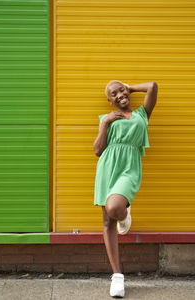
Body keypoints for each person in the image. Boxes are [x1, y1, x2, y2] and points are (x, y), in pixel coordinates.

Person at [93, 80, 158, 298]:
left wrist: (130, 87)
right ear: (109, 100)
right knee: (107, 222)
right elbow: (97, 150)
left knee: (114, 208)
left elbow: (153, 86)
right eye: (114, 93)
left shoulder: (142, 114)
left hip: (129, 167)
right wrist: (106, 123)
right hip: (107, 167)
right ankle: (117, 276)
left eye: (121, 90)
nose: (120, 94)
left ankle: (124, 212)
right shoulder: (106, 119)